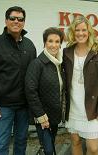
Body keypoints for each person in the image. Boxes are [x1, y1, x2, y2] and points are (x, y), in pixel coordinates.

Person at [0, 6, 36, 155]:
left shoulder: (29, 45)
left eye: (20, 19)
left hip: (24, 106)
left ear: (24, 22)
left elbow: (34, 76)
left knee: (21, 141)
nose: (16, 21)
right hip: (3, 107)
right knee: (1, 144)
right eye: (13, 18)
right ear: (6, 21)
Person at [63, 15, 98, 155]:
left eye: (84, 30)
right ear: (73, 32)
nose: (80, 33)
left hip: (94, 108)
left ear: (89, 31)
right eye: (77, 30)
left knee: (93, 148)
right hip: (74, 107)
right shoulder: (67, 51)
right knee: (76, 142)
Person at [25, 27, 64, 155]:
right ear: (44, 43)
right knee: (48, 150)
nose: (54, 45)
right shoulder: (37, 63)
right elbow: (30, 91)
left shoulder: (59, 64)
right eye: (50, 41)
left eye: (57, 41)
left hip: (54, 116)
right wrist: (41, 116)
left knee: (49, 147)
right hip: (42, 116)